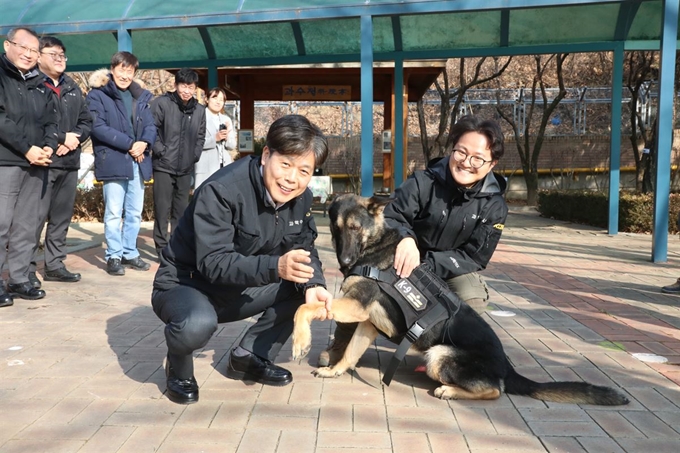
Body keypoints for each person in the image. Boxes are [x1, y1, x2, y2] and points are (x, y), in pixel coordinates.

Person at [152, 114, 332, 404]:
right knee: (196, 323)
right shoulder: (222, 190)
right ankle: (179, 365)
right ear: (266, 156)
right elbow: (214, 262)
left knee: (301, 285)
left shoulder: (301, 198)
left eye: (304, 170)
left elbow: (303, 246)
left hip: (242, 285)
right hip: (188, 285)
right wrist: (276, 267)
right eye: (285, 164)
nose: (291, 179)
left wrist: (315, 284)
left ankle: (249, 357)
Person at [319, 115, 508, 366]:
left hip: (449, 268)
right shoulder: (422, 181)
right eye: (461, 152)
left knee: (471, 296)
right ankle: (342, 343)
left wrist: (428, 264)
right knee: (362, 277)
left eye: (478, 158)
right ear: (452, 149)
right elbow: (393, 214)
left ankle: (447, 355)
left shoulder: (494, 205)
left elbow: (475, 256)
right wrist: (406, 239)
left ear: (492, 163)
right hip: (402, 257)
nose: (466, 162)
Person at [0, 27, 58, 306]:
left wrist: (48, 145)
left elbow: (51, 121)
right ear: (7, 45)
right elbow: (1, 120)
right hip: (6, 161)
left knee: (27, 225)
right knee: (1, 224)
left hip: (38, 162)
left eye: (34, 50)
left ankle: (20, 278)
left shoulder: (39, 82)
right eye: (23, 47)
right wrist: (26, 148)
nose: (28, 54)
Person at [27, 36, 92, 287]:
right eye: (53, 54)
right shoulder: (32, 85)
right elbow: (32, 124)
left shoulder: (73, 87)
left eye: (62, 55)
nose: (59, 59)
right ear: (39, 55)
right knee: (34, 219)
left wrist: (74, 138)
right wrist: (60, 139)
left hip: (69, 163)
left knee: (61, 218)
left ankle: (54, 264)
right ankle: (27, 268)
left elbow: (87, 122)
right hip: (42, 162)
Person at [87, 51, 156, 276]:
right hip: (114, 160)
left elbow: (150, 125)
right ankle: (114, 255)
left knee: (135, 212)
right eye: (122, 69)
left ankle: (130, 252)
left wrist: (144, 143)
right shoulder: (98, 95)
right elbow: (98, 127)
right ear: (113, 68)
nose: (125, 75)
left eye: (130, 71)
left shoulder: (141, 96)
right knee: (114, 212)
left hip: (138, 160)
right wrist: (130, 144)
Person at [150, 68, 206, 257]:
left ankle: (176, 247)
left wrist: (194, 155)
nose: (186, 90)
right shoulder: (162, 104)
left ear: (195, 88)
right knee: (162, 208)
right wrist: (161, 151)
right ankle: (160, 247)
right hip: (163, 166)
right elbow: (152, 130)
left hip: (185, 167)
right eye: (183, 86)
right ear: (175, 85)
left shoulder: (199, 110)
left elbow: (200, 136)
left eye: (190, 87)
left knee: (181, 211)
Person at [194, 87, 237, 188]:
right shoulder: (199, 117)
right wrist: (215, 138)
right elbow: (195, 143)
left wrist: (227, 137)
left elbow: (232, 145)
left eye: (221, 100)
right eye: (215, 98)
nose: (218, 102)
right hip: (205, 167)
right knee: (204, 197)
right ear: (207, 99)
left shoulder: (226, 119)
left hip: (224, 166)